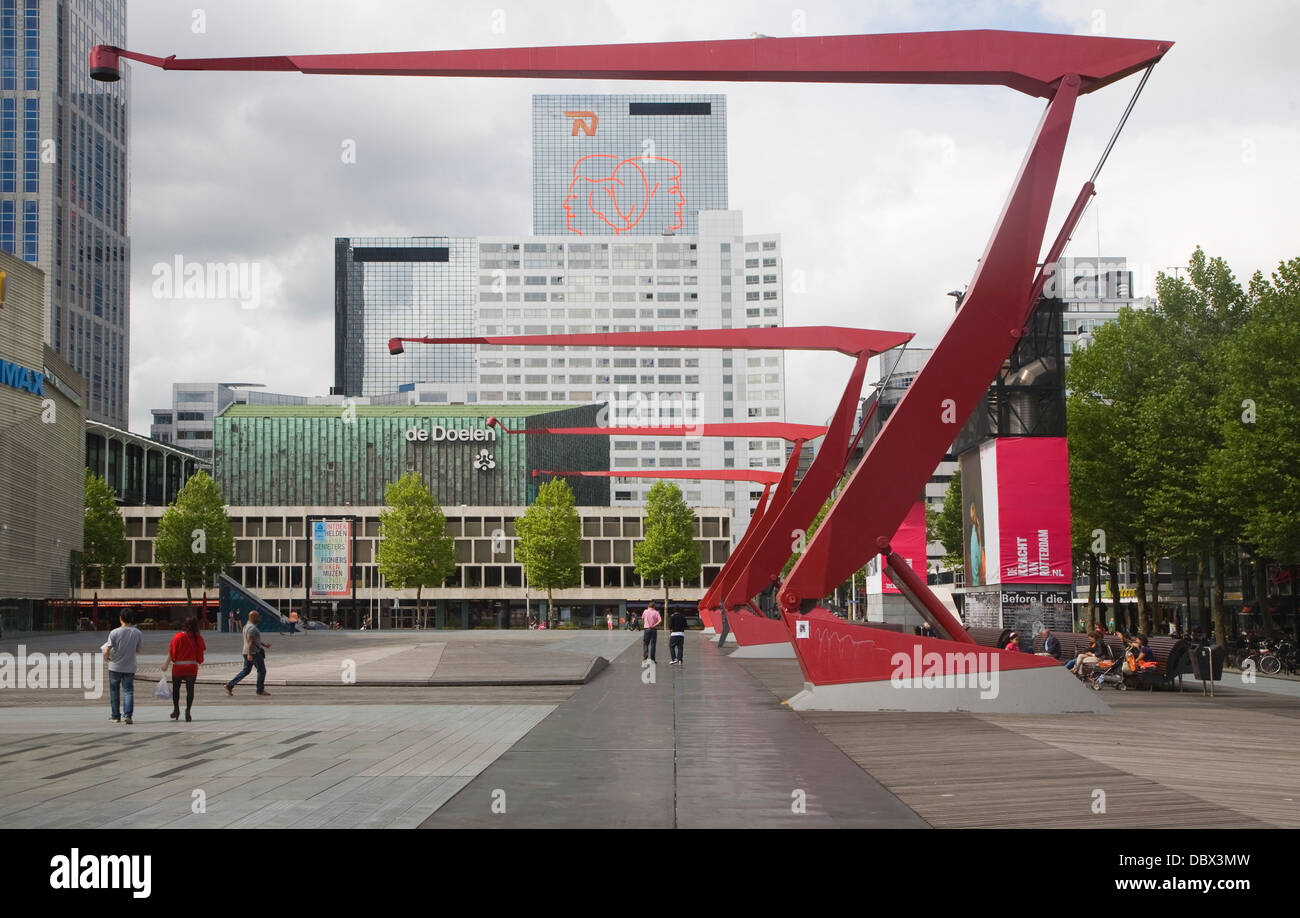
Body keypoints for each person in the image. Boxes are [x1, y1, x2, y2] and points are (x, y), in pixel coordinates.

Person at [162, 616, 206, 722]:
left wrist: (166, 664)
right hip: (191, 667)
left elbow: (172, 651)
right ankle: (188, 710)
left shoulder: (178, 637)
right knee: (190, 690)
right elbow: (201, 653)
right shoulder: (198, 638)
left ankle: (176, 709)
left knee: (176, 690)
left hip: (178, 667)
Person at [104, 609, 144, 724]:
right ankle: (128, 715)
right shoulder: (137, 633)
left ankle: (115, 716)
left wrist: (106, 657)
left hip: (114, 666)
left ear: (120, 618)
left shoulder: (114, 632)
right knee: (128, 691)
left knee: (114, 691)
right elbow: (138, 650)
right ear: (132, 619)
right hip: (129, 666)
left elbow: (107, 649)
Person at [225, 610, 272, 697]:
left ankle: (230, 685)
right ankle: (260, 690)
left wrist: (264, 644)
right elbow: (249, 641)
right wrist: (250, 654)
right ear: (253, 617)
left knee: (246, 671)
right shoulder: (252, 628)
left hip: (246, 651)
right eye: (258, 617)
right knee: (262, 670)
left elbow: (253, 640)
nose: (259, 618)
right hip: (253, 652)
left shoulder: (246, 626)